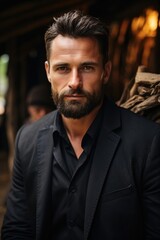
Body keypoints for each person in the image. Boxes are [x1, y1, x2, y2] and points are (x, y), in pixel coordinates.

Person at [1, 10, 160, 240]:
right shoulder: (27, 139)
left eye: (87, 67)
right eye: (63, 68)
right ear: (48, 72)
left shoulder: (148, 142)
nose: (74, 82)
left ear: (105, 72)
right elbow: (17, 229)